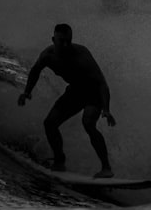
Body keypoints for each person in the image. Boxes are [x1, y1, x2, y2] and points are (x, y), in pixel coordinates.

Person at [17, 23, 117, 178]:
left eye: (68, 41)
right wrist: (27, 92)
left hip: (93, 92)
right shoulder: (47, 56)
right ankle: (59, 161)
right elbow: (35, 70)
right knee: (49, 123)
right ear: (53, 40)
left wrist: (106, 109)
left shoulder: (81, 54)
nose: (65, 44)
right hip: (75, 92)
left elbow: (102, 83)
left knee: (88, 124)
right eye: (61, 41)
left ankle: (106, 168)